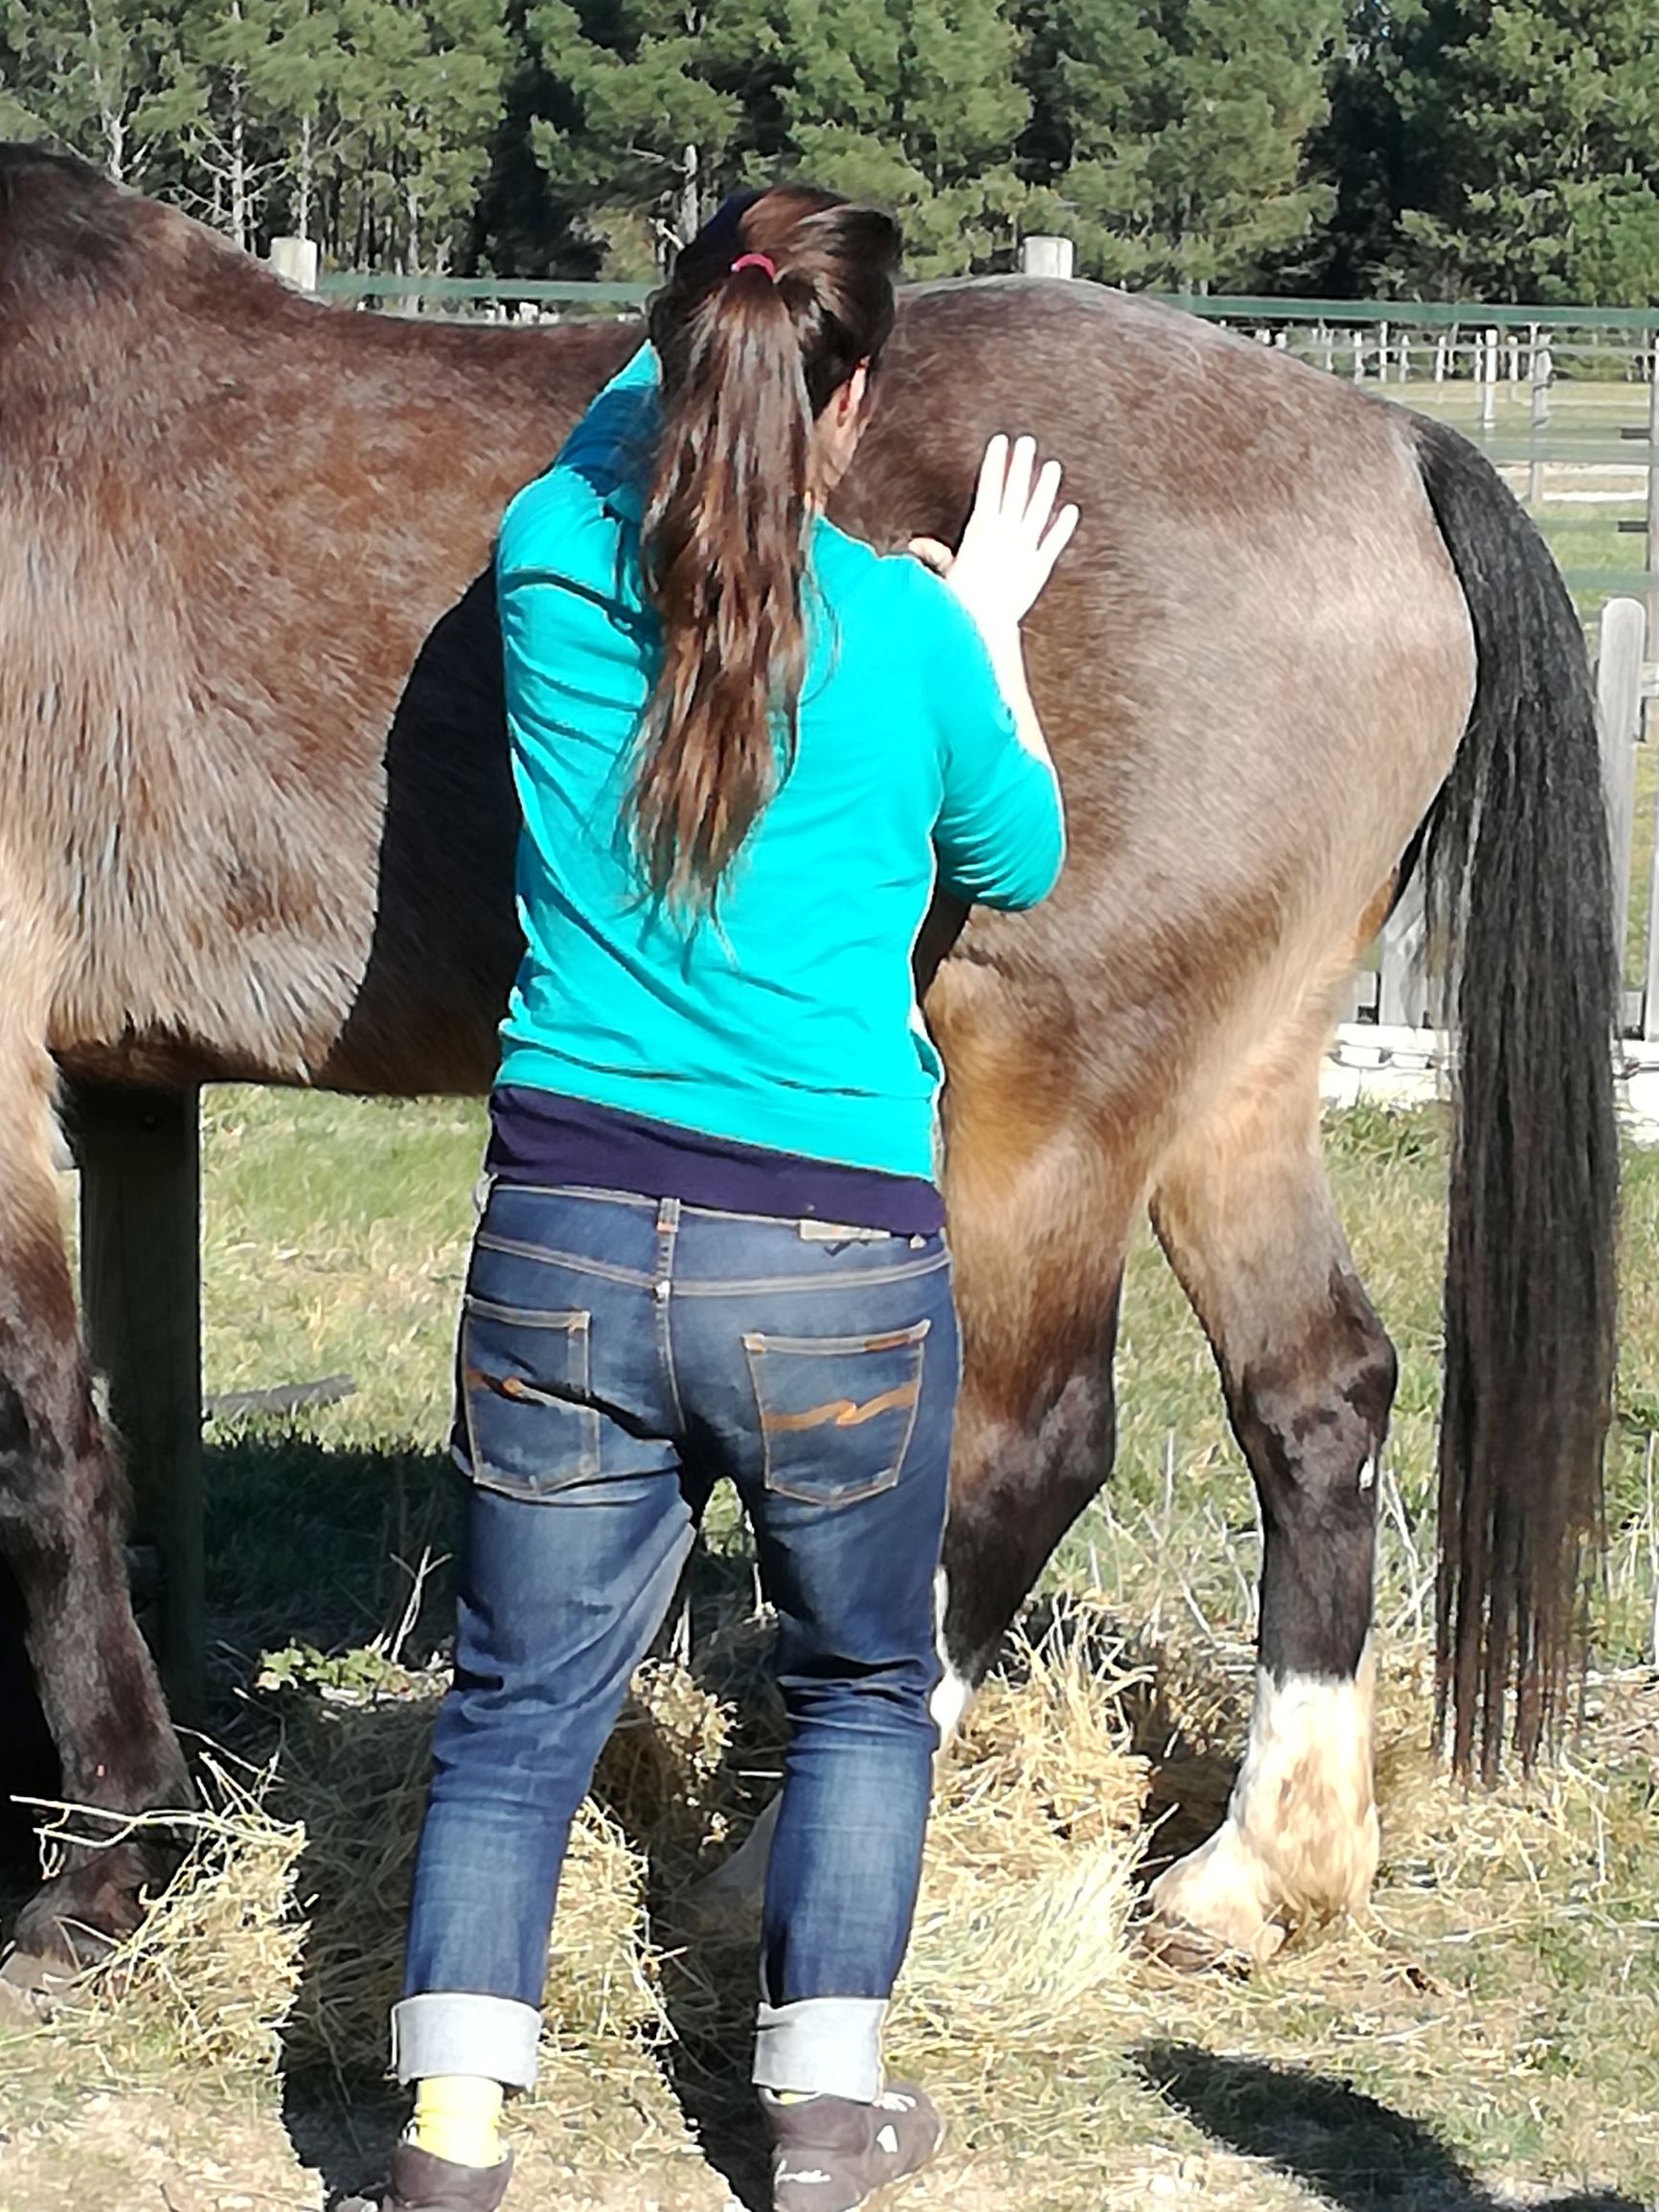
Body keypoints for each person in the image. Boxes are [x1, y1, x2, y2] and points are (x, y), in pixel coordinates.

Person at [348, 183, 1076, 2212]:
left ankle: (450, 2139)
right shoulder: (912, 636)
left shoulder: (546, 561)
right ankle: (824, 2125)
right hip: (836, 1254)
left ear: (681, 362)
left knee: (512, 1710)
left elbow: (622, 426)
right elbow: (1018, 862)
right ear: (849, 411)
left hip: (566, 1229)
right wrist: (994, 623)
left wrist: (700, 310)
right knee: (853, 1685)